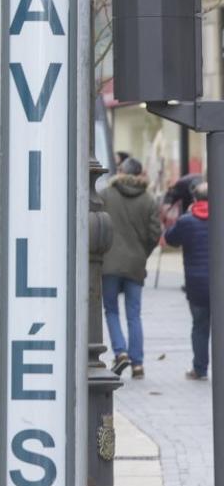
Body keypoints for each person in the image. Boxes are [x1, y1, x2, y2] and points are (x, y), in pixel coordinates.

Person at [101, 158, 162, 378]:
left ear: (121, 171)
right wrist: (142, 252)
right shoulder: (148, 199)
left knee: (111, 310)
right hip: (136, 264)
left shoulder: (107, 195)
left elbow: (96, 223)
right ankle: (138, 363)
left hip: (109, 263)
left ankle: (120, 352)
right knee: (134, 314)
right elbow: (156, 232)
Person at [164, 182, 210, 380]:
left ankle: (199, 369)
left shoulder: (186, 221)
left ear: (195, 199)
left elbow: (170, 239)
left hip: (196, 285)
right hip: (219, 284)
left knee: (199, 327)